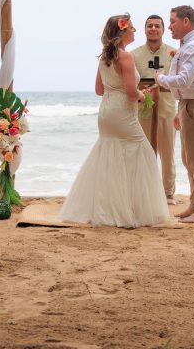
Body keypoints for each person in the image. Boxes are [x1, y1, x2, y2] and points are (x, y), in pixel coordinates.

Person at [58, 14, 172, 228]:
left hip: (106, 113)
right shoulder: (126, 57)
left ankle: (110, 207)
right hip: (122, 113)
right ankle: (133, 210)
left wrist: (120, 90)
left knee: (110, 154)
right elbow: (130, 92)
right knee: (143, 153)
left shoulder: (105, 57)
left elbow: (99, 90)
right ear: (123, 31)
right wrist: (143, 95)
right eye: (132, 28)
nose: (135, 31)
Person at [156, 5, 194, 223]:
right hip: (188, 104)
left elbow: (184, 80)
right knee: (188, 159)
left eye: (172, 21)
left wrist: (160, 78)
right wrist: (180, 109)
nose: (169, 26)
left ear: (186, 22)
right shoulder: (187, 45)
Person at [132, 15, 178, 205]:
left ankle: (168, 193)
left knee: (168, 154)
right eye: (149, 26)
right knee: (143, 154)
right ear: (145, 30)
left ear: (163, 30)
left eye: (157, 26)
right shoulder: (134, 55)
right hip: (143, 112)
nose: (153, 29)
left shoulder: (174, 53)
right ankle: (145, 192)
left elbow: (179, 81)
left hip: (167, 110)